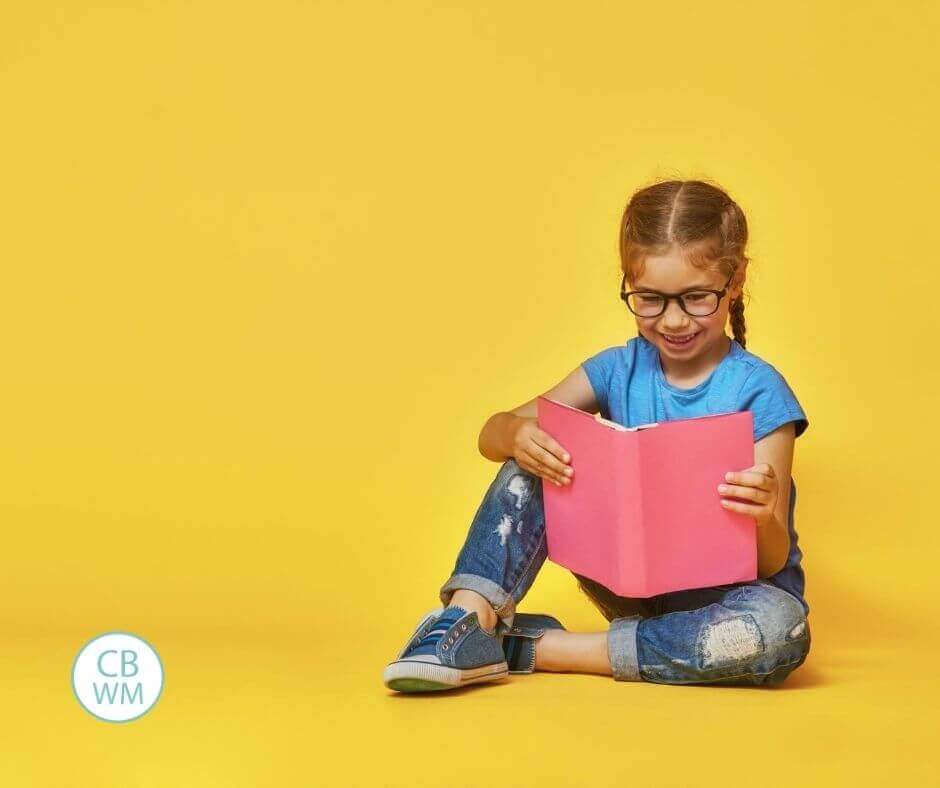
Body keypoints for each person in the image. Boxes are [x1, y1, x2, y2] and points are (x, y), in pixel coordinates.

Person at [383, 179, 812, 692]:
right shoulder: (614, 370)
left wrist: (764, 514)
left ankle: (542, 649)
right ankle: (467, 622)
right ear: (627, 282)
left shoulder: (760, 390)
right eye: (649, 299)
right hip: (631, 585)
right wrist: (515, 433)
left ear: (735, 280)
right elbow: (490, 434)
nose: (673, 320)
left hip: (727, 606)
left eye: (696, 298)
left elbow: (769, 560)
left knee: (781, 630)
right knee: (532, 457)